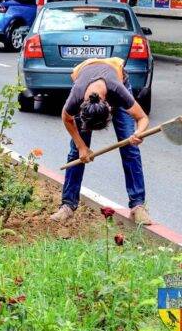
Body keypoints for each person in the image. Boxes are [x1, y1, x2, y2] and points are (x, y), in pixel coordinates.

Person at [50, 57, 152, 225]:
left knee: (130, 148)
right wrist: (82, 146)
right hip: (87, 78)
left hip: (114, 80)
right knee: (76, 153)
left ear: (109, 108)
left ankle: (137, 206)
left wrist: (139, 133)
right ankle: (67, 206)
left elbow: (142, 118)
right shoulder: (77, 96)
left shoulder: (119, 92)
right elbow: (67, 118)